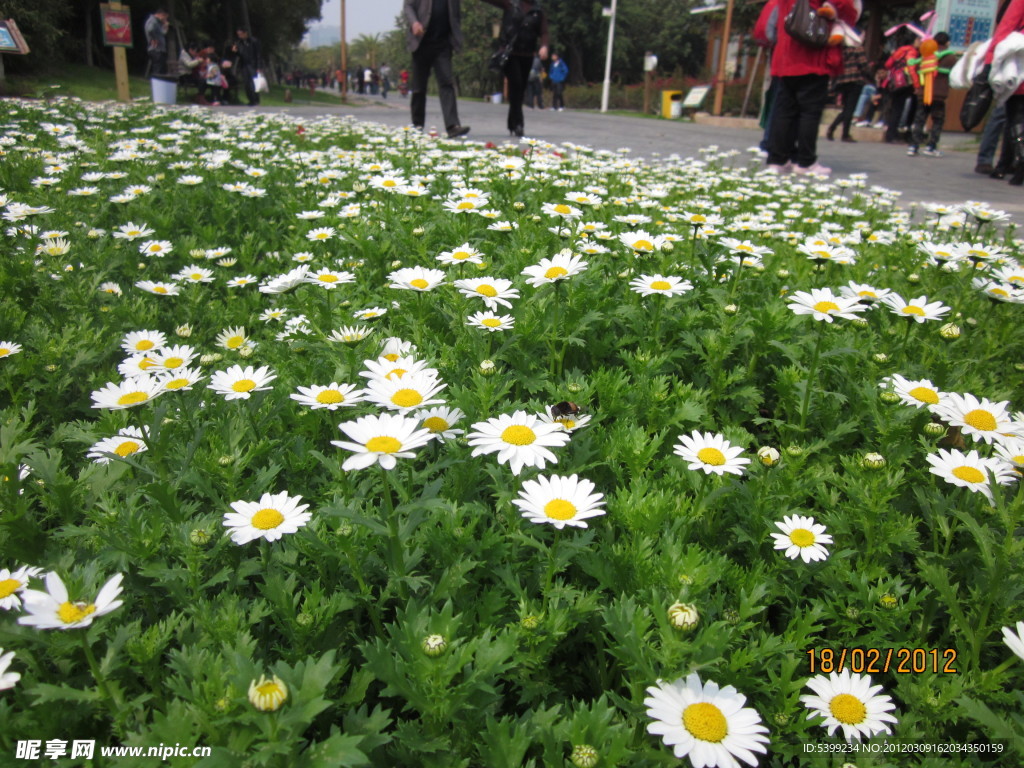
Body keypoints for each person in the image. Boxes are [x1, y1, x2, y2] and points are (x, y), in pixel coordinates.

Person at [765, 0, 860, 177]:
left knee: (784, 111)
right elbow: (847, 9)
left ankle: (777, 159)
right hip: (812, 56)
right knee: (809, 112)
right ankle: (805, 161)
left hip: (786, 56)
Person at [483, 0, 549, 138]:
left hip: (527, 55)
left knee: (519, 90)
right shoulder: (510, 4)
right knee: (516, 84)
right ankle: (519, 124)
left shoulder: (538, 11)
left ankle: (511, 122)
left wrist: (544, 46)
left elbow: (543, 32)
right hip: (510, 54)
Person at [404, 0, 470, 138]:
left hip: (443, 44)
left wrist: (456, 38)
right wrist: (414, 22)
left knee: (447, 83)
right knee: (419, 88)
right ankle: (417, 126)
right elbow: (408, 6)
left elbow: (456, 14)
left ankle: (452, 126)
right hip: (421, 43)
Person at [983, 0, 1024, 184]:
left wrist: (989, 62)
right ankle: (1008, 164)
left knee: (1015, 117)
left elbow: (1006, 28)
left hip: (1019, 65)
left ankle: (1012, 164)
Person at [906, 32, 957, 157]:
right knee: (938, 120)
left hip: (923, 93)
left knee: (919, 119)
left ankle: (913, 146)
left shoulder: (926, 55)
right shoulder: (950, 57)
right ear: (947, 43)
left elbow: (916, 68)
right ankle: (931, 146)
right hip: (939, 94)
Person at [826, 43, 870, 142]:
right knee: (850, 108)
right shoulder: (857, 47)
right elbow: (863, 64)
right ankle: (844, 133)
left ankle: (833, 128)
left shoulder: (841, 48)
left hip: (842, 80)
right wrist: (868, 75)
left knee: (846, 108)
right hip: (855, 79)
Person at [883, 32, 918, 144]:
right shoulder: (912, 51)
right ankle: (893, 135)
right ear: (913, 41)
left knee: (894, 108)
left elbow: (888, 65)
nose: (920, 42)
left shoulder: (899, 51)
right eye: (918, 40)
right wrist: (916, 84)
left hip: (894, 82)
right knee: (899, 109)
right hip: (904, 83)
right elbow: (911, 68)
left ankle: (890, 134)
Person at [230, 28, 262, 106]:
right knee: (247, 83)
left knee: (253, 83)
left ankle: (256, 99)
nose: (239, 36)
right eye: (238, 35)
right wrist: (235, 51)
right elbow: (238, 55)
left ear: (245, 33)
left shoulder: (253, 41)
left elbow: (258, 54)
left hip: (253, 64)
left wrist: (259, 67)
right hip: (244, 65)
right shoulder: (239, 43)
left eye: (241, 34)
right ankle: (251, 100)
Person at [144, 9, 170, 76]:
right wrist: (154, 38)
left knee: (161, 69)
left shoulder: (157, 23)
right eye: (165, 17)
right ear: (162, 15)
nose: (165, 20)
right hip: (156, 49)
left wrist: (165, 26)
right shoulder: (153, 21)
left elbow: (162, 33)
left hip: (159, 49)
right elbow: (150, 30)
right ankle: (157, 85)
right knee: (158, 70)